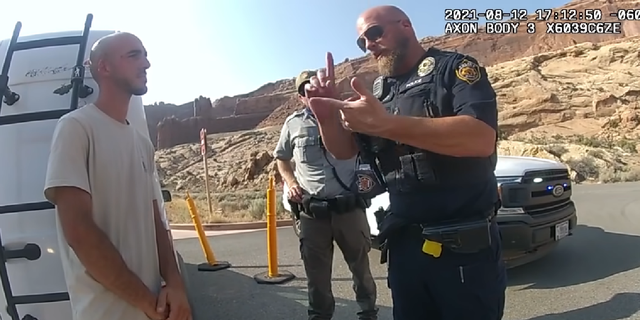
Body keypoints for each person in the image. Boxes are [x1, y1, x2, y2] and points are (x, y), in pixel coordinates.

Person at [304, 5, 507, 320]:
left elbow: (479, 138)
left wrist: (385, 124)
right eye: (362, 42)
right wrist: (326, 119)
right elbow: (346, 152)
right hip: (405, 248)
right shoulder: (380, 93)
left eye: (374, 32)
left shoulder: (453, 69)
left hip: (462, 247)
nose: (369, 44)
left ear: (406, 25)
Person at [43, 32, 191, 320]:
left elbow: (156, 224)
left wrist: (175, 284)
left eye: (145, 55)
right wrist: (147, 302)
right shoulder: (76, 128)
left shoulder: (142, 143)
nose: (146, 63)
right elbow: (79, 232)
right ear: (104, 67)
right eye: (134, 55)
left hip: (154, 310)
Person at [274, 70, 378, 320]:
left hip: (349, 209)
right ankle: (320, 315)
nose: (311, 93)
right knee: (316, 274)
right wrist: (290, 181)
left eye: (314, 86)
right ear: (301, 97)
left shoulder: (346, 116)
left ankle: (368, 312)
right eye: (305, 91)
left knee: (361, 268)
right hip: (313, 213)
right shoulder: (293, 124)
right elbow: (282, 159)